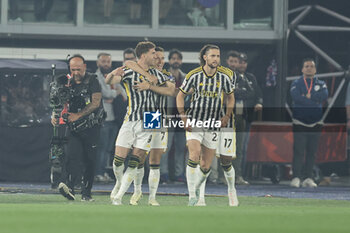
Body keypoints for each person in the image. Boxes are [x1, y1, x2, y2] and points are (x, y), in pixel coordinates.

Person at [106, 41, 167, 206]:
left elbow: (172, 90)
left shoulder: (159, 73)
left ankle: (121, 195)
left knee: (139, 159)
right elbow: (111, 79)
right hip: (130, 117)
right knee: (118, 160)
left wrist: (150, 86)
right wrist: (112, 74)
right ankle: (120, 183)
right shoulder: (130, 71)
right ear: (144, 54)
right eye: (153, 53)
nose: (156, 56)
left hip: (152, 117)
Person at [177, 44, 236, 206]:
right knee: (194, 155)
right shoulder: (194, 75)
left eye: (218, 56)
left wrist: (227, 115)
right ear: (205, 57)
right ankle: (192, 196)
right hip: (195, 120)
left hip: (214, 123)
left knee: (205, 165)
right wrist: (183, 117)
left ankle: (199, 193)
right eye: (213, 56)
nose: (216, 59)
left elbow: (231, 97)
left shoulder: (224, 77)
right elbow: (180, 96)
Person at [123, 46, 176, 206]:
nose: (159, 61)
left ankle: (152, 197)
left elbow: (171, 91)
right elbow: (128, 63)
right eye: (156, 57)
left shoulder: (165, 74)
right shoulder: (141, 70)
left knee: (155, 160)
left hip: (157, 116)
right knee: (139, 157)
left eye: (162, 58)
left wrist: (150, 86)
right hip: (140, 116)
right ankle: (137, 191)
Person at [52, 54, 103, 201]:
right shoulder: (66, 82)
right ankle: (70, 188)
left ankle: (87, 193)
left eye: (78, 69)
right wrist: (55, 116)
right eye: (73, 69)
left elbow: (95, 103)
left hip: (92, 126)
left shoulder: (93, 80)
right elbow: (58, 101)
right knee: (71, 157)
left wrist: (78, 115)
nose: (76, 72)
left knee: (90, 160)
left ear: (85, 67)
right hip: (74, 128)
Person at [290, 58, 328, 188]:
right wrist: (313, 101)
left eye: (311, 66)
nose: (309, 68)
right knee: (299, 151)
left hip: (316, 122)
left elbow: (324, 96)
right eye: (306, 66)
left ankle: (308, 177)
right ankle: (296, 177)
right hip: (300, 121)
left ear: (315, 69)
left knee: (312, 152)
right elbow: (295, 97)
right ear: (302, 69)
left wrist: (308, 97)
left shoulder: (321, 83)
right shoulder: (296, 83)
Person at [160, 49, 187, 183]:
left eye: (178, 58)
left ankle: (179, 173)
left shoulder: (186, 77)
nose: (176, 61)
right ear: (169, 61)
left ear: (181, 61)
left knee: (181, 147)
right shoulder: (164, 76)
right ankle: (163, 172)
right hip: (168, 116)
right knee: (166, 146)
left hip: (182, 117)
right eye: (173, 58)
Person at [227, 50, 253, 185]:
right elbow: (225, 93)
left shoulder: (242, 78)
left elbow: (250, 93)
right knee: (225, 148)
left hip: (240, 115)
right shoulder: (223, 76)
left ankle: (238, 175)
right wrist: (236, 92)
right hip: (225, 116)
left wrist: (236, 93)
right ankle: (223, 176)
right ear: (227, 62)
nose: (233, 64)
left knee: (239, 148)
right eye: (231, 61)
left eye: (236, 61)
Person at [237, 52, 263, 179]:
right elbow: (236, 94)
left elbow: (258, 93)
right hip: (234, 117)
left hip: (247, 117)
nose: (242, 64)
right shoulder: (232, 76)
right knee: (233, 148)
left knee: (244, 148)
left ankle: (240, 175)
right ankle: (232, 175)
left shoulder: (251, 77)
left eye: (244, 62)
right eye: (240, 62)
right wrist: (248, 93)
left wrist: (258, 102)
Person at [94, 53, 119, 183]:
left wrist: (113, 95)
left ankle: (103, 172)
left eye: (108, 61)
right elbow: (106, 93)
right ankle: (98, 173)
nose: (106, 64)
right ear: (98, 63)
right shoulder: (96, 77)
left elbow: (123, 92)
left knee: (109, 149)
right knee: (102, 148)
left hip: (113, 117)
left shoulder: (112, 76)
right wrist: (115, 94)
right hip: (103, 118)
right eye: (103, 61)